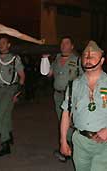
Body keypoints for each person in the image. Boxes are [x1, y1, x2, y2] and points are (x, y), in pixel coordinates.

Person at [60, 40, 107, 171]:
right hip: (80, 142)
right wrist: (63, 141)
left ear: (102, 60)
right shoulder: (74, 85)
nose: (88, 59)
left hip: (104, 143)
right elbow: (66, 113)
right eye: (85, 56)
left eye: (92, 56)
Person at [42, 36, 83, 162]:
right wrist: (45, 59)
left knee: (71, 123)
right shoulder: (57, 59)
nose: (63, 45)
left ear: (72, 46)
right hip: (58, 95)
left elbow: (84, 79)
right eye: (62, 43)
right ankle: (68, 147)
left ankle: (72, 148)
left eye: (66, 43)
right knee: (62, 121)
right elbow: (47, 74)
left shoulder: (77, 60)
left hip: (72, 97)